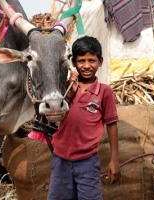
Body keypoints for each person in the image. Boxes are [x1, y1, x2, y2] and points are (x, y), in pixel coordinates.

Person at [47, 36, 121, 200]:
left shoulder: (104, 92)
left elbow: (112, 124)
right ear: (73, 63)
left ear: (100, 61)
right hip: (61, 160)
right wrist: (69, 94)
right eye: (81, 61)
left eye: (92, 60)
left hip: (87, 162)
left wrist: (114, 160)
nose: (87, 66)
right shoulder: (64, 87)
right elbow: (56, 115)